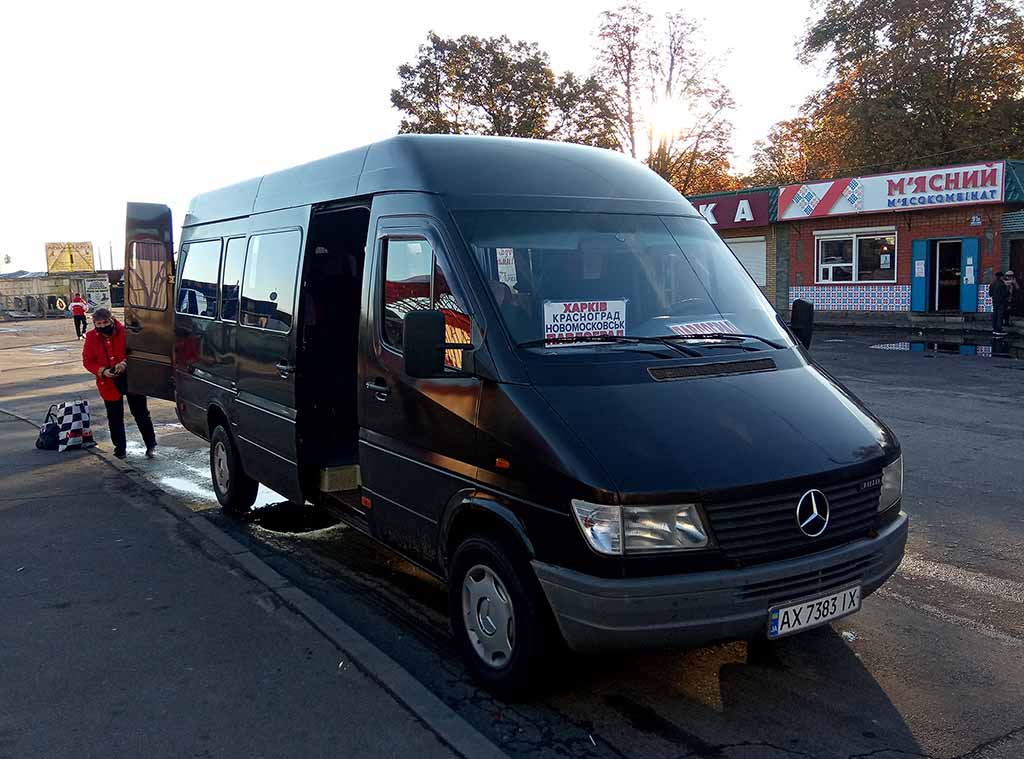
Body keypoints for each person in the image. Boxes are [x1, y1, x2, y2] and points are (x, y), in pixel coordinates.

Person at [82, 307, 157, 459]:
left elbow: (137, 351)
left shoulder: (126, 332)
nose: (102, 326)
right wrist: (102, 371)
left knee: (141, 413)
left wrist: (124, 363)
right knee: (114, 417)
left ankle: (151, 444)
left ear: (112, 319)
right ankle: (120, 448)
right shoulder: (91, 337)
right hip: (108, 381)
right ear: (94, 323)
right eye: (99, 323)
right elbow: (88, 360)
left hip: (131, 377)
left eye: (105, 322)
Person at [989, 271, 1009, 336]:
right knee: (1000, 316)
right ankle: (999, 330)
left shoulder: (992, 284)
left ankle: (994, 329)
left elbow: (990, 294)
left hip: (994, 301)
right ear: (1001, 277)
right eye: (1003, 276)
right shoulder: (1002, 284)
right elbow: (1005, 294)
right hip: (1001, 302)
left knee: (995, 314)